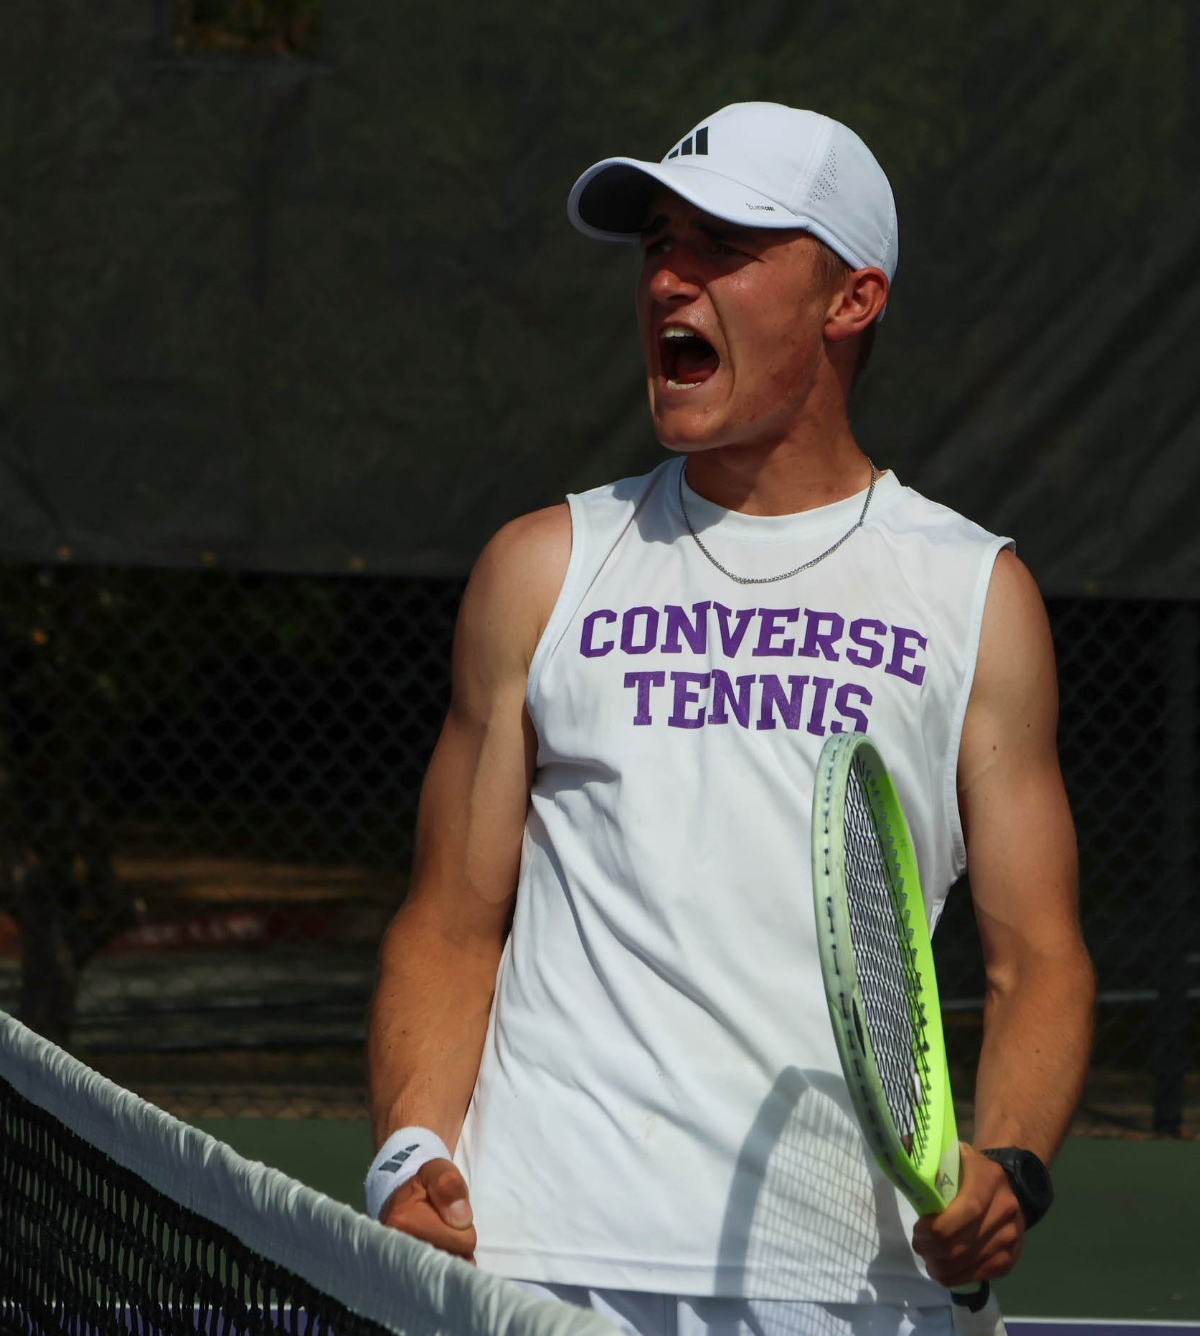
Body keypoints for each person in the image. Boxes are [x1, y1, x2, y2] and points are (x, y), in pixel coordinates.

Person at [365, 101, 1094, 1336]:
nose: (667, 277)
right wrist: (409, 1148)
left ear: (850, 299)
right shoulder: (541, 568)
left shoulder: (975, 595)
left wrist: (1009, 1163)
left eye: (724, 247)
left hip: (848, 1280)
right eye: (659, 242)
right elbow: (447, 922)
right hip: (539, 1255)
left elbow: (1039, 958)